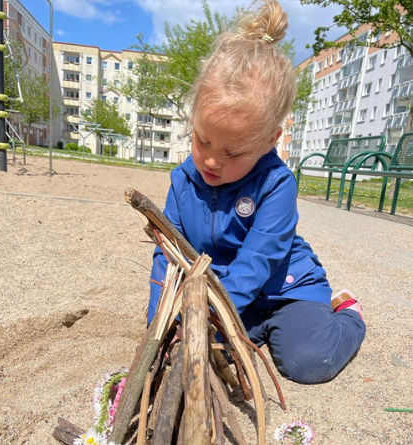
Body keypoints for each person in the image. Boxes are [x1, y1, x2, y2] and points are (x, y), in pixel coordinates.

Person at [147, 0, 366, 384]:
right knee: (201, 353)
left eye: (232, 152)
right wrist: (160, 323)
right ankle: (253, 330)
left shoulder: (277, 184)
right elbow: (167, 258)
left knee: (308, 363)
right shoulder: (182, 182)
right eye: (202, 141)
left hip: (286, 291)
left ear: (270, 141)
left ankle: (348, 313)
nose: (211, 162)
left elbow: (256, 263)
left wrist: (209, 318)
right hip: (230, 298)